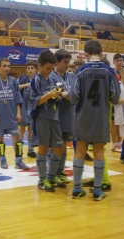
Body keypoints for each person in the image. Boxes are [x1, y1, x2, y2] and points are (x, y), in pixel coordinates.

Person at [69, 40, 120, 201]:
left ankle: (77, 189)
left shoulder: (81, 70)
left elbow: (73, 97)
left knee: (80, 151)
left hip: (83, 116)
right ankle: (97, 191)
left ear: (85, 54)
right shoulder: (109, 71)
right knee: (98, 151)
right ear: (102, 52)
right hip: (101, 117)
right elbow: (115, 97)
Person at [29, 50, 65, 192]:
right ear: (40, 65)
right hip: (42, 118)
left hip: (54, 117)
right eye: (48, 68)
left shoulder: (53, 79)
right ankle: (42, 180)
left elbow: (59, 94)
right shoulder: (35, 81)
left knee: (59, 147)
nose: (50, 71)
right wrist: (49, 94)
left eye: (52, 68)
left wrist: (57, 96)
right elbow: (35, 102)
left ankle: (51, 177)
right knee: (43, 148)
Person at [0, 58, 29, 170]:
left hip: (12, 115)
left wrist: (18, 112)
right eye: (4, 66)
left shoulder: (14, 81)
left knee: (16, 138)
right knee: (0, 138)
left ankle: (18, 160)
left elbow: (18, 99)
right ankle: (2, 159)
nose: (7, 68)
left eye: (8, 66)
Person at [50, 49, 74, 184]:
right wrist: (63, 94)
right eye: (65, 62)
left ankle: (60, 171)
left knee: (64, 144)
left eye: (68, 62)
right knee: (56, 146)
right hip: (57, 115)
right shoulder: (53, 77)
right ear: (57, 62)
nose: (67, 65)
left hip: (69, 115)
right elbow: (60, 92)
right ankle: (53, 172)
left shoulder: (70, 76)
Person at [72, 58, 94, 161]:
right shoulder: (73, 78)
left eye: (80, 66)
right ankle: (78, 153)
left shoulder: (87, 78)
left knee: (86, 133)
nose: (78, 68)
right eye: (77, 66)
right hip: (75, 108)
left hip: (87, 108)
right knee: (77, 134)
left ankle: (83, 153)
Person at [17, 60, 38, 158]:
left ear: (36, 69)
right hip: (23, 107)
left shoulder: (38, 79)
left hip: (33, 107)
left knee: (31, 129)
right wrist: (27, 85)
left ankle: (30, 150)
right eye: (28, 68)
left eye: (32, 68)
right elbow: (16, 87)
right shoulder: (22, 78)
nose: (30, 70)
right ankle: (20, 149)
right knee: (22, 129)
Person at [111, 53, 123, 152]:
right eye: (117, 60)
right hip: (113, 101)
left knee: (121, 123)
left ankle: (120, 143)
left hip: (123, 102)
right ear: (114, 62)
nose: (119, 62)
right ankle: (114, 143)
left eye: (121, 60)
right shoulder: (112, 72)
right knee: (114, 123)